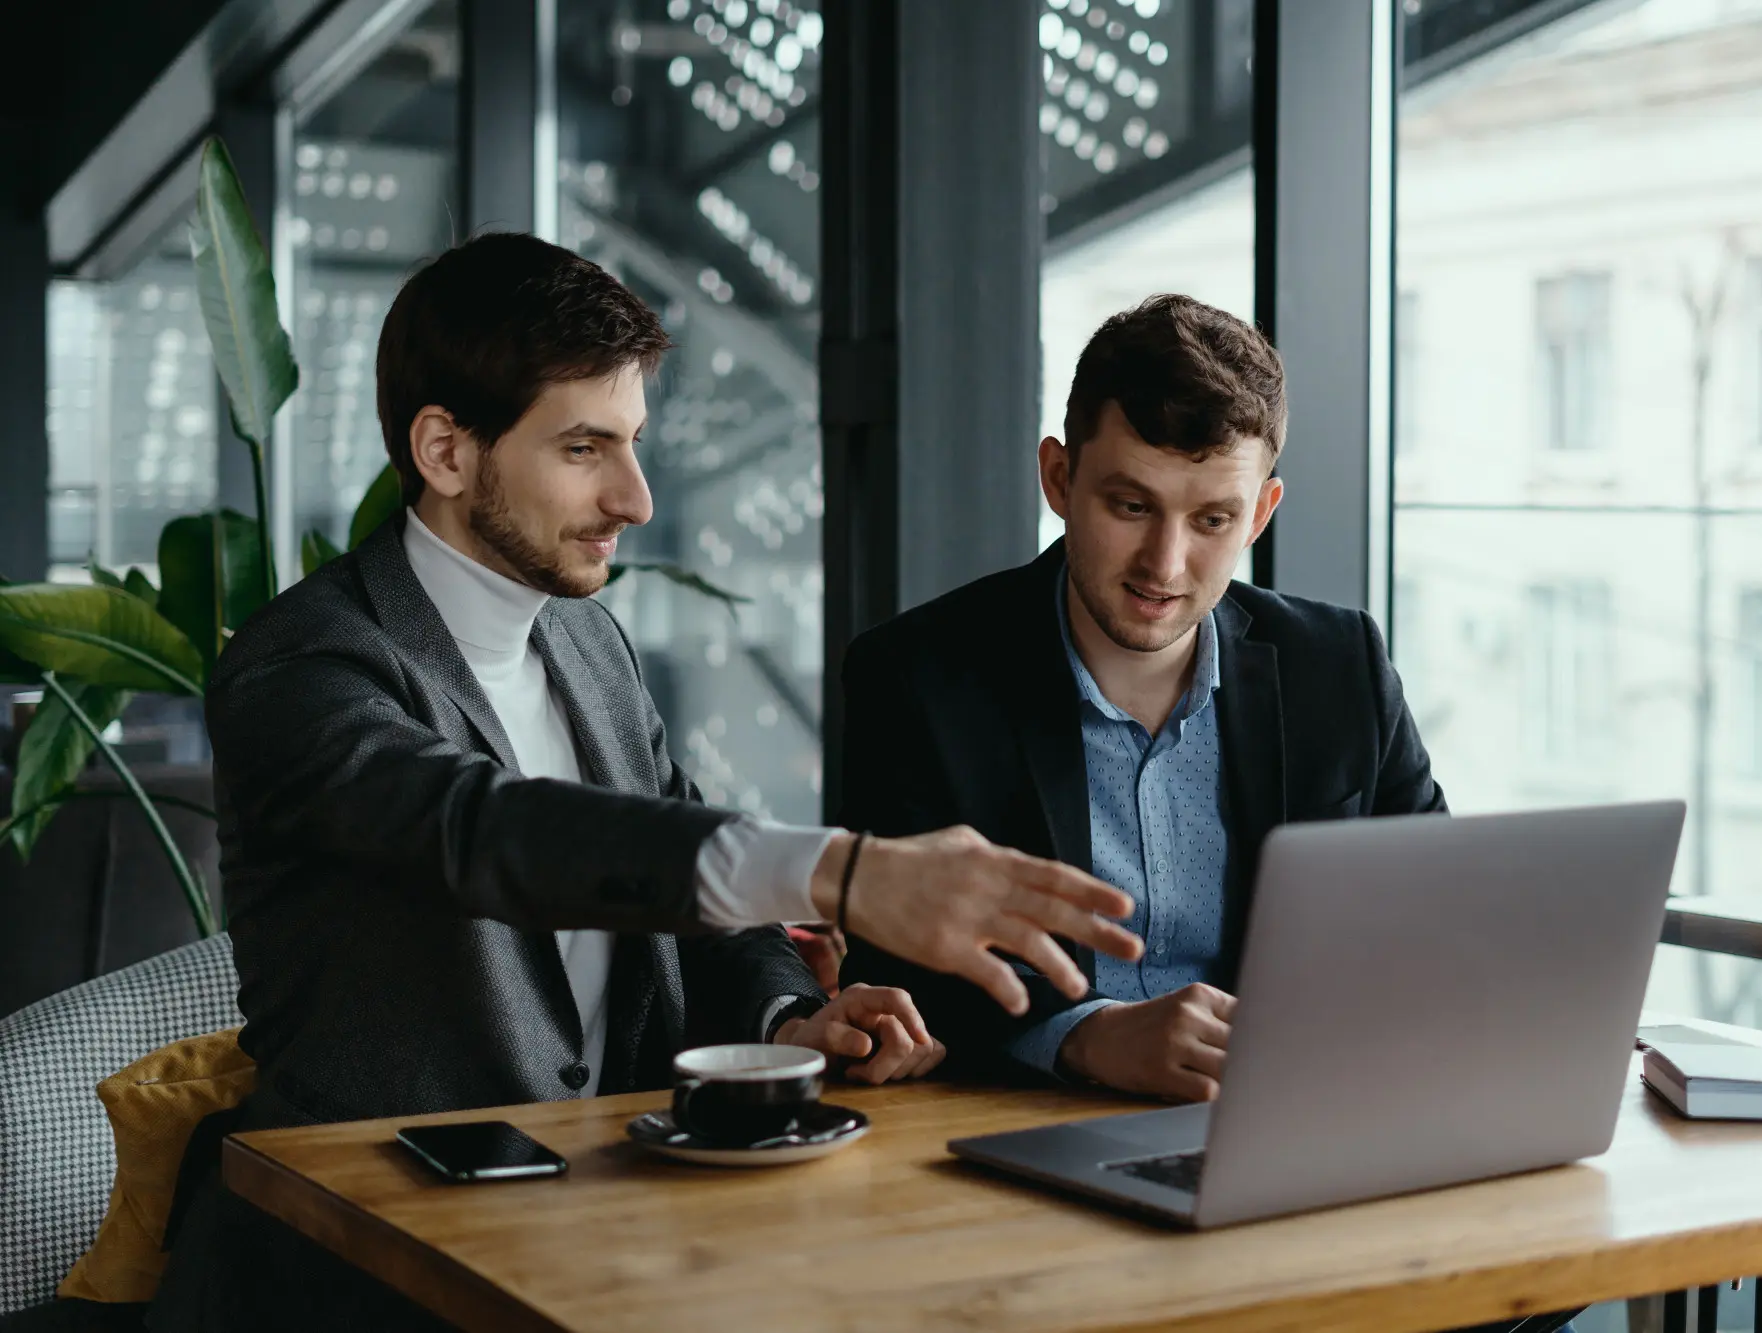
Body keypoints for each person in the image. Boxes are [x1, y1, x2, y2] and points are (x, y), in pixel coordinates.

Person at [149, 233, 1139, 1332]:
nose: (637, 497)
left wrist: (792, 1018)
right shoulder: (303, 664)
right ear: (443, 450)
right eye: (585, 448)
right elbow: (481, 833)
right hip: (353, 1272)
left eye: (631, 444)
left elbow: (683, 892)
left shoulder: (592, 648)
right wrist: (839, 871)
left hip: (600, 1249)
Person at [838, 293, 1446, 1103]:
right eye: (1131, 506)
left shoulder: (1341, 668)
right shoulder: (915, 679)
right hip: (1018, 1141)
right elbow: (897, 987)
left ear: (1260, 513)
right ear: (1059, 477)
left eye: (1212, 519)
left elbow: (1439, 923)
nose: (1166, 562)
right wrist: (1084, 1036)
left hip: (1290, 1120)